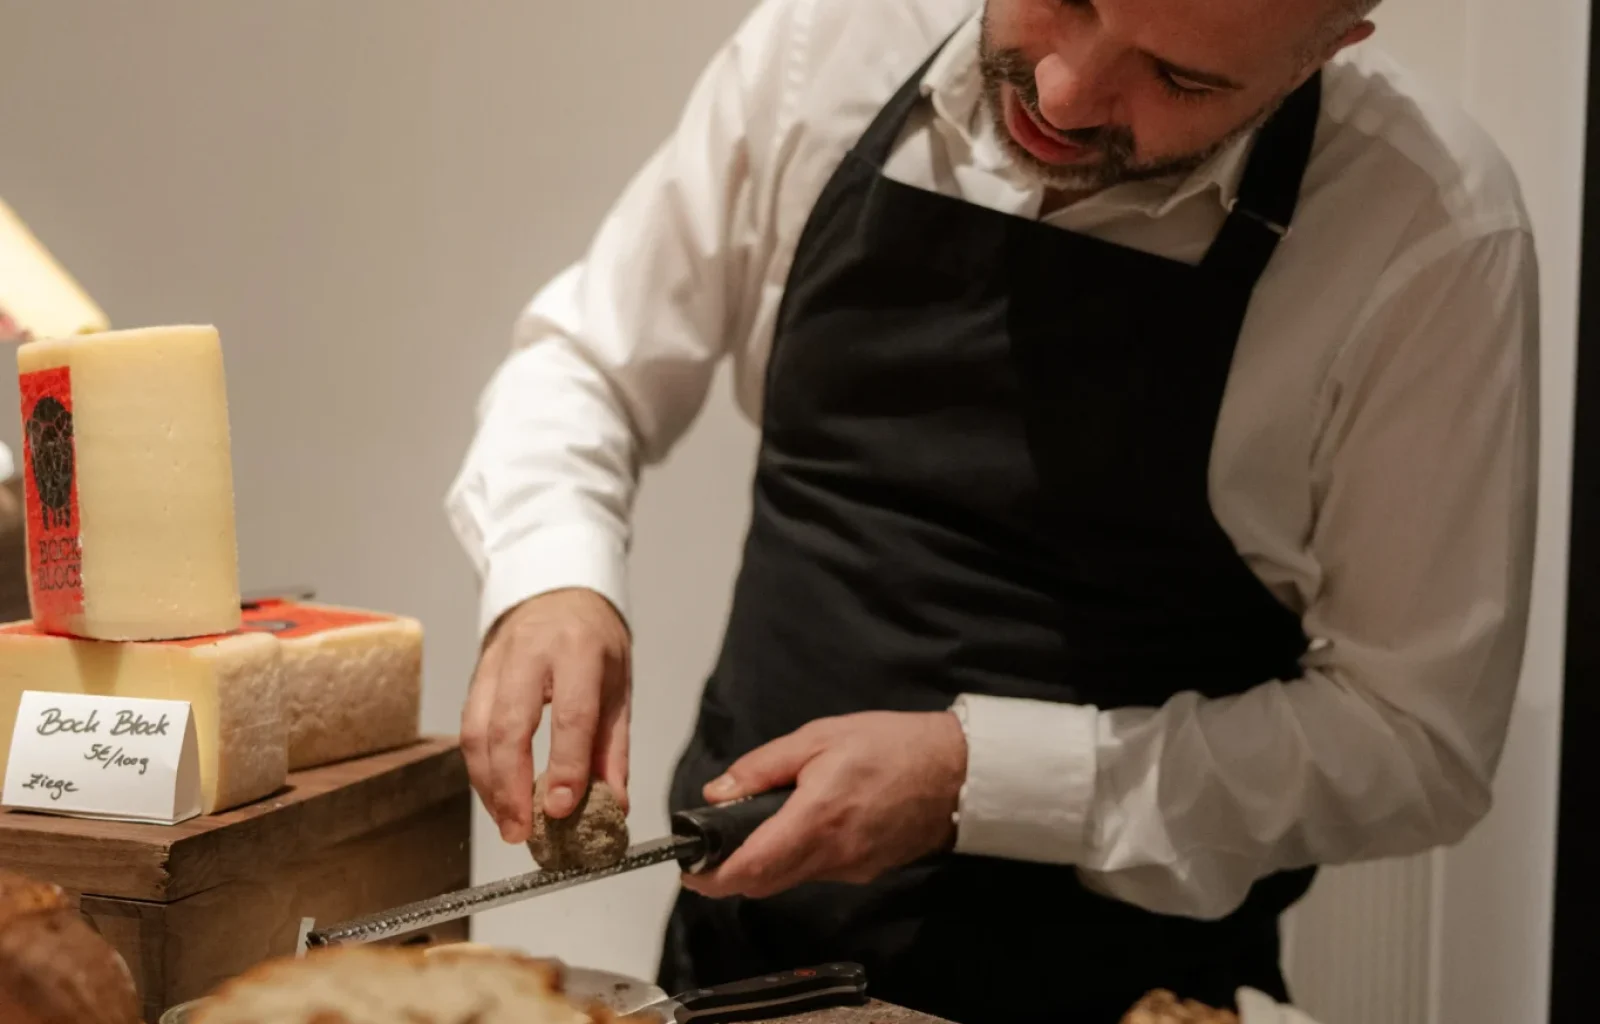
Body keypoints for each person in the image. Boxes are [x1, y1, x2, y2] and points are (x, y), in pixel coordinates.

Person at [446, 0, 1540, 1020]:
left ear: (1326, 49)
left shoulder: (1422, 230)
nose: (1063, 94)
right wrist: (554, 580)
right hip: (743, 972)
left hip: (1126, 996)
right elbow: (589, 363)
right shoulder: (838, 38)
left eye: (1178, 78)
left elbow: (1413, 742)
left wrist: (980, 778)